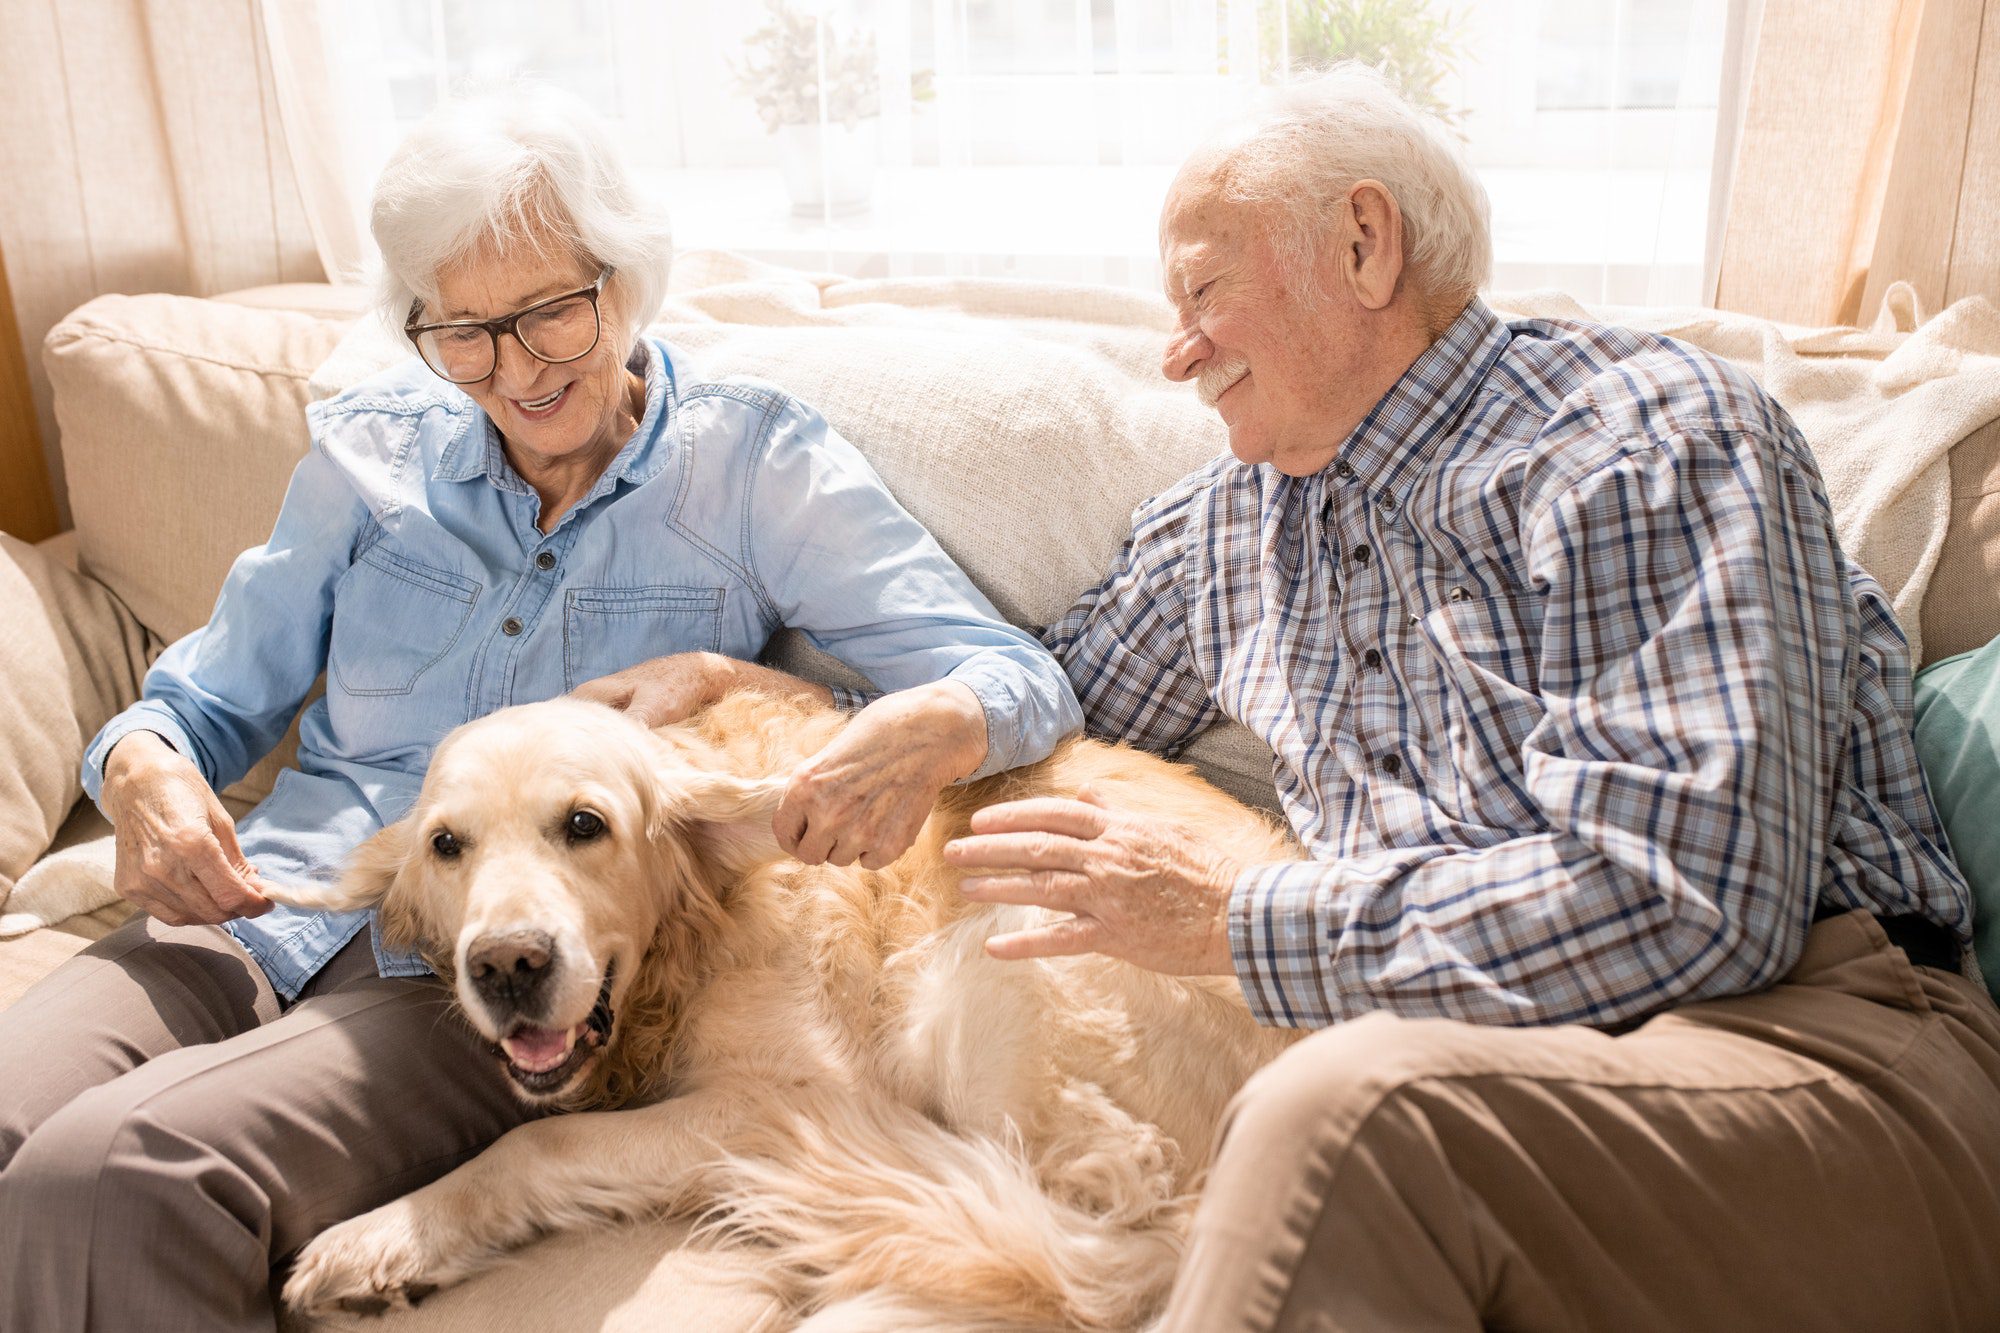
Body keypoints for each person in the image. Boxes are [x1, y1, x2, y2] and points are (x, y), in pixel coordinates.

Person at [0, 86, 1080, 1331]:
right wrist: (141, 768)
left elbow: (1010, 678)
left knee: (116, 1174)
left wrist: (751, 684)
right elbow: (198, 700)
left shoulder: (752, 466)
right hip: (263, 903)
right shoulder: (369, 455)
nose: (515, 371)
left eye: (551, 313)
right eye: (463, 333)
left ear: (625, 282)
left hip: (481, 976)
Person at [945, 63, 2000, 1330]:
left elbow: (1683, 902)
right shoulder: (1216, 533)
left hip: (1810, 1056)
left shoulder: (1637, 438)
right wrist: (875, 709)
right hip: (1476, 1090)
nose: (1178, 353)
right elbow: (1038, 700)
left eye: (1203, 293)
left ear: (1362, 242)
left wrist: (1233, 917)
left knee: (1337, 1118)